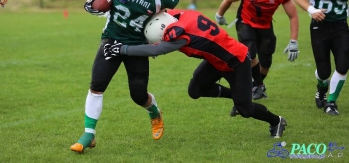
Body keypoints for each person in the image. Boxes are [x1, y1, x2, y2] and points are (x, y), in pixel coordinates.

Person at [103, 10, 287, 138]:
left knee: (246, 110)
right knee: (196, 90)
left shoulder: (180, 36)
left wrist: (122, 49)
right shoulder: (175, 16)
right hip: (217, 60)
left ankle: (276, 121)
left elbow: (155, 50)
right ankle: (239, 97)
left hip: (236, 61)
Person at [70, 0, 180, 153]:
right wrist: (90, 1)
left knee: (138, 95)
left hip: (137, 45)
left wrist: (156, 38)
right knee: (97, 85)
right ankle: (89, 133)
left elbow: (163, 18)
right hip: (112, 38)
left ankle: (154, 113)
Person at [215, 0, 299, 107]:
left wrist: (294, 41)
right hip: (245, 21)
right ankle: (259, 85)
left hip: (266, 25)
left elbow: (293, 16)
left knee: (266, 60)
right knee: (250, 52)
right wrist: (220, 14)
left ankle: (257, 85)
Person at [293, 0, 349, 116]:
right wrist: (311, 10)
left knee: (343, 65)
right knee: (323, 71)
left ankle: (331, 102)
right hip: (320, 27)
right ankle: (321, 89)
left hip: (340, 26)